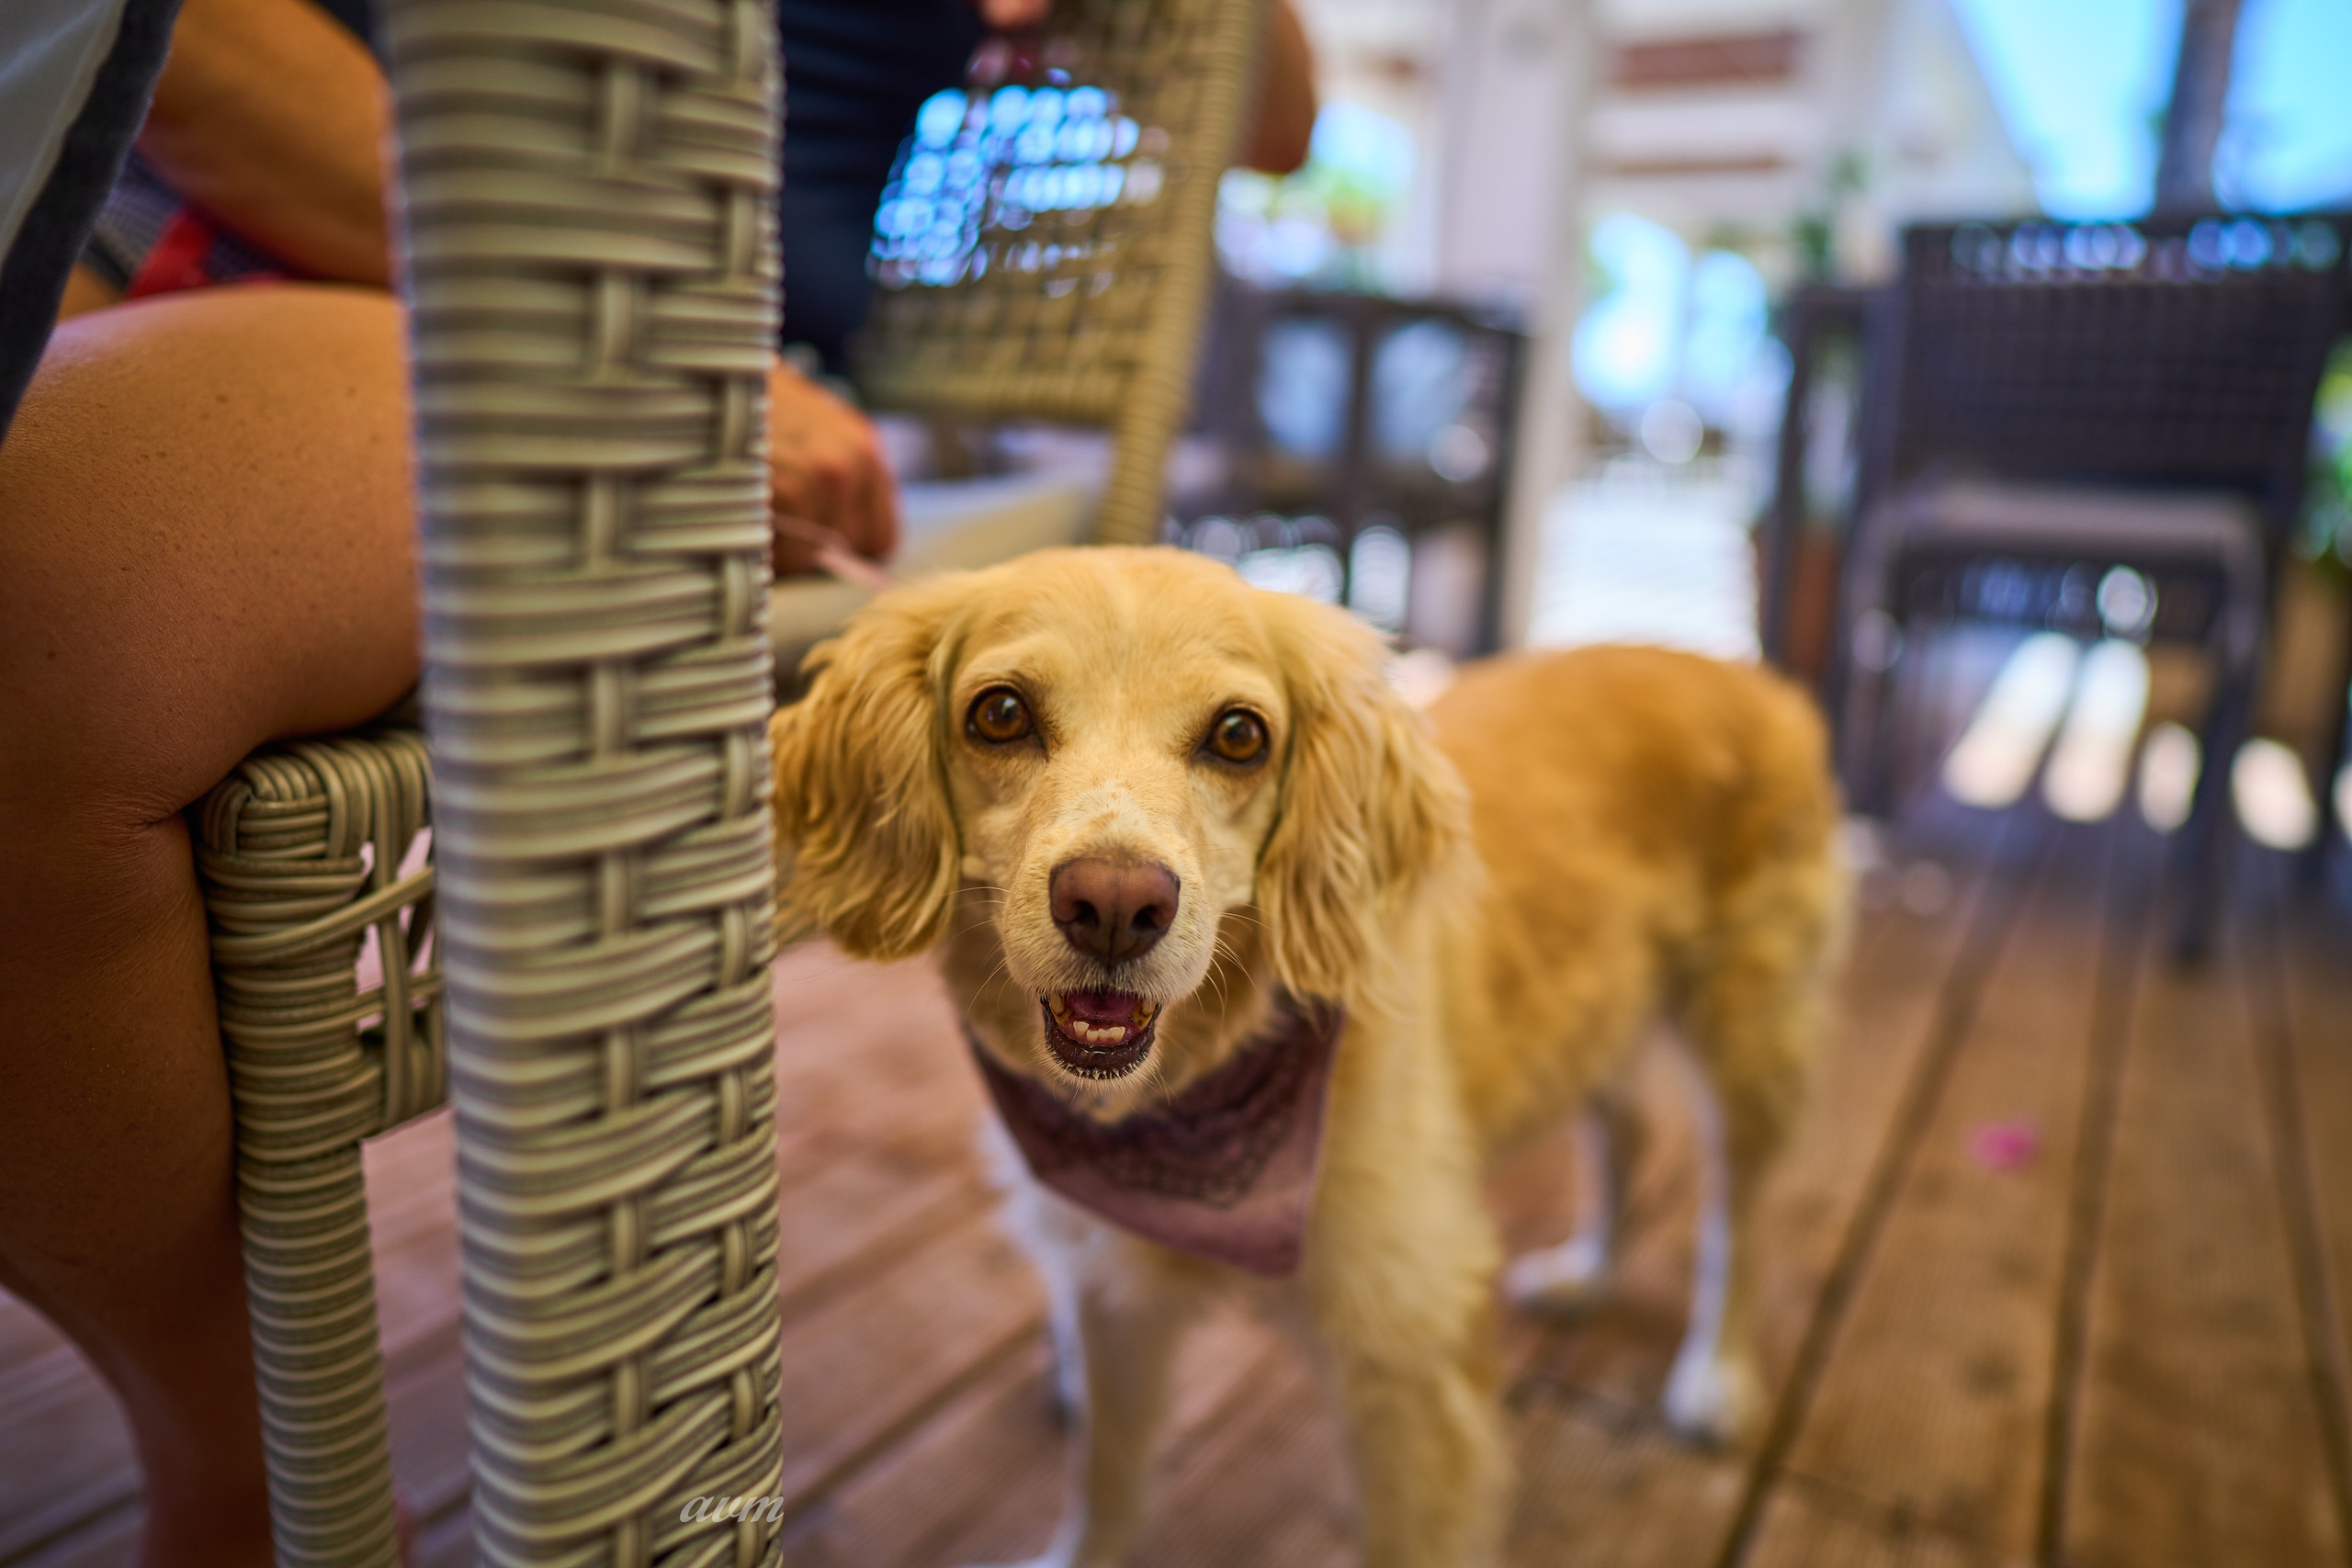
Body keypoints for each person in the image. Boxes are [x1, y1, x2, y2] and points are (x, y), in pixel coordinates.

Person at [0, 1, 1313, 1563]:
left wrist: (681, 358)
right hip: (142, 213)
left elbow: (1277, 117)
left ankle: (228, 1471)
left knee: (43, 611)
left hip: (665, 348)